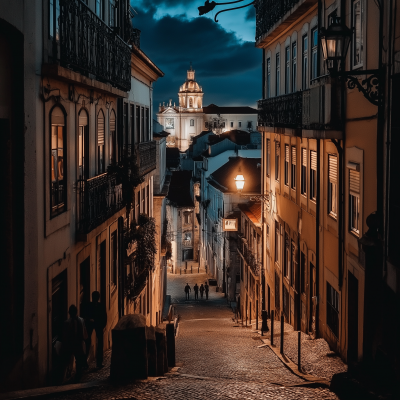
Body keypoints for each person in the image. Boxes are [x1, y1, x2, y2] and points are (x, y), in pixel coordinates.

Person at [62, 304, 88, 381]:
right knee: (71, 360)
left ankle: (77, 375)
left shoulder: (79, 321)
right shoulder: (69, 322)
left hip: (76, 343)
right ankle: (70, 374)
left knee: (78, 359)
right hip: (73, 343)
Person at [84, 291, 107, 369]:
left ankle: (99, 362)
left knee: (99, 344)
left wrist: (101, 326)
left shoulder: (99, 306)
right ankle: (85, 361)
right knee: (88, 343)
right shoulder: (91, 306)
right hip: (91, 326)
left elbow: (104, 318)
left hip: (98, 326)